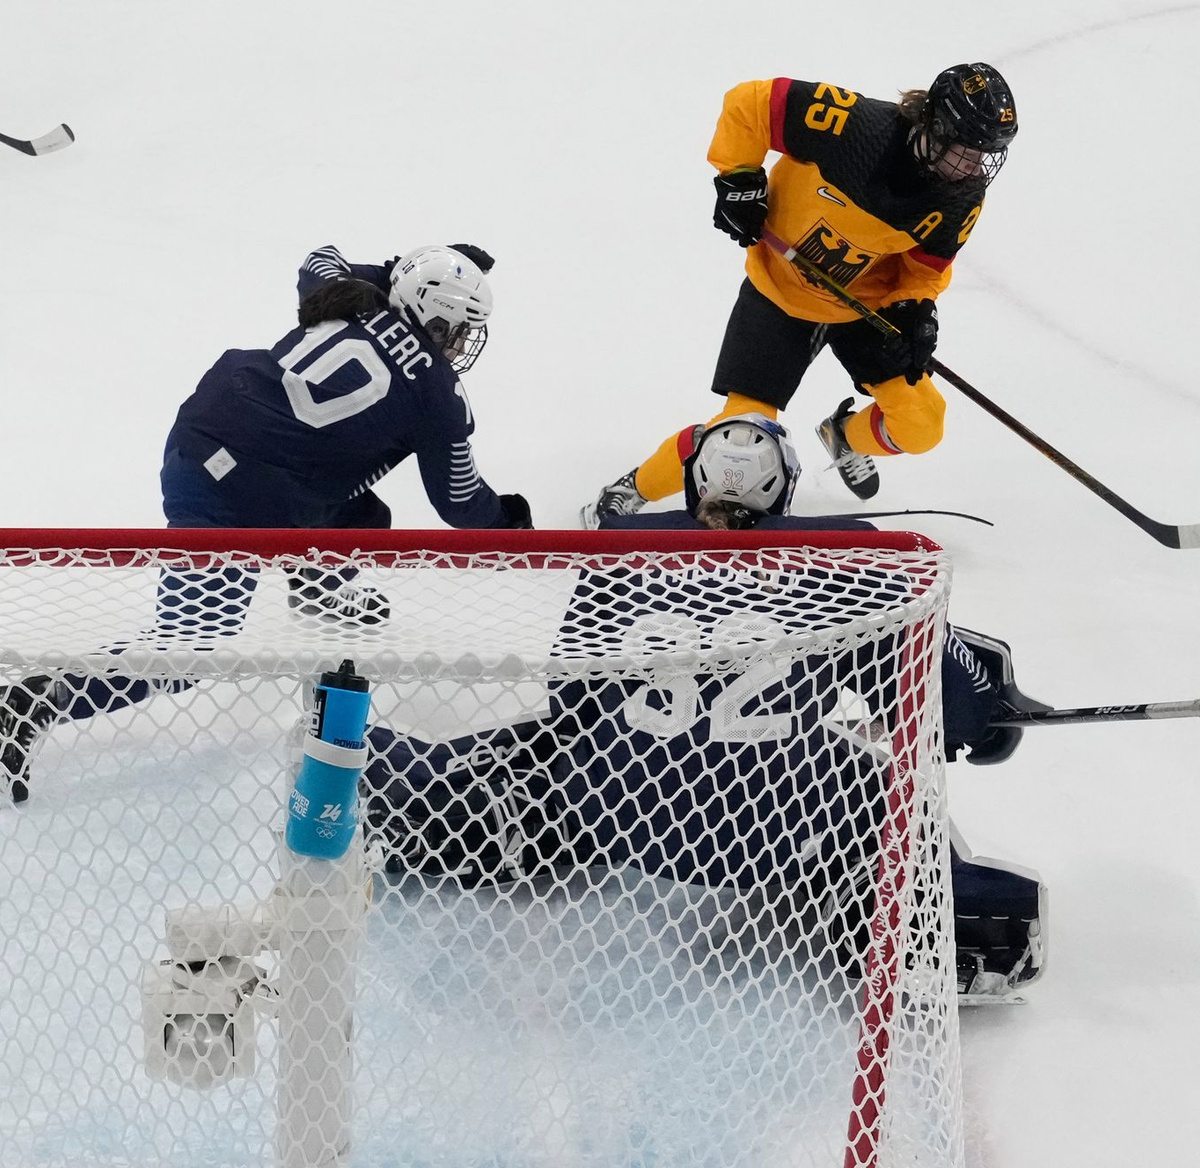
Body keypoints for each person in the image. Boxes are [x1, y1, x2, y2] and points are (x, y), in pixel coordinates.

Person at [366, 416, 1046, 999]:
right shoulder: (850, 557)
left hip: (617, 820)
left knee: (544, 752)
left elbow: (568, 698)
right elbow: (942, 704)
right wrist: (984, 706)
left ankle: (408, 790)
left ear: (693, 482)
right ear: (782, 485)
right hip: (774, 836)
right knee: (883, 785)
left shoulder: (617, 550)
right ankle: (928, 921)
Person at [0, 242, 532, 805]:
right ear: (436, 315)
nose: (461, 344)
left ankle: (315, 589)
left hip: (205, 427)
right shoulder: (439, 396)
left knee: (364, 517)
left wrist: (401, 269)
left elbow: (319, 257)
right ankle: (36, 701)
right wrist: (513, 522)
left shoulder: (355, 300)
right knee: (190, 647)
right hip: (236, 492)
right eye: (459, 328)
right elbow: (460, 502)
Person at [582, 62, 1017, 525]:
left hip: (863, 310)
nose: (975, 168)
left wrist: (915, 313)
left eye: (984, 156)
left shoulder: (960, 195)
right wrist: (740, 178)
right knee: (738, 443)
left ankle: (845, 436)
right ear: (936, 125)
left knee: (922, 425)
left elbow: (925, 269)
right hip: (780, 294)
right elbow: (749, 103)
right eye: (967, 152)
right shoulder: (854, 127)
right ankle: (633, 488)